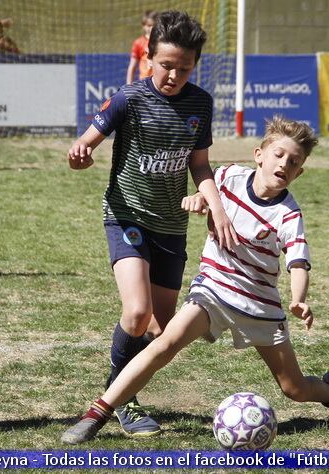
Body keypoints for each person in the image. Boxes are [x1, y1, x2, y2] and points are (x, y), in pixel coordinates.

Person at [61, 116, 329, 445]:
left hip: (259, 307)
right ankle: (97, 414)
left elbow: (299, 262)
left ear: (299, 172)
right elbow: (206, 195)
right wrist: (197, 200)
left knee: (295, 389)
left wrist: (299, 298)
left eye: (294, 161)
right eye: (278, 155)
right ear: (258, 154)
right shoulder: (229, 176)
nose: (284, 164)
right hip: (212, 292)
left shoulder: (288, 214)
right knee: (164, 345)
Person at [67, 10, 239, 438]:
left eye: (184, 68)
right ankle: (116, 402)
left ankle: (118, 389)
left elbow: (200, 165)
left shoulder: (200, 103)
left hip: (171, 226)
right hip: (126, 214)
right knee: (138, 312)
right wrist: (81, 152)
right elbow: (87, 141)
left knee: (161, 327)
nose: (174, 75)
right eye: (166, 66)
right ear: (148, 57)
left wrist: (216, 208)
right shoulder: (129, 98)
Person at [126, 10, 156, 84]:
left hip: (159, 82)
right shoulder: (138, 42)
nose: (151, 28)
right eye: (149, 25)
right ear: (144, 26)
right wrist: (128, 86)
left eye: (154, 25)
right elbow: (132, 67)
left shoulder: (162, 42)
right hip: (144, 82)